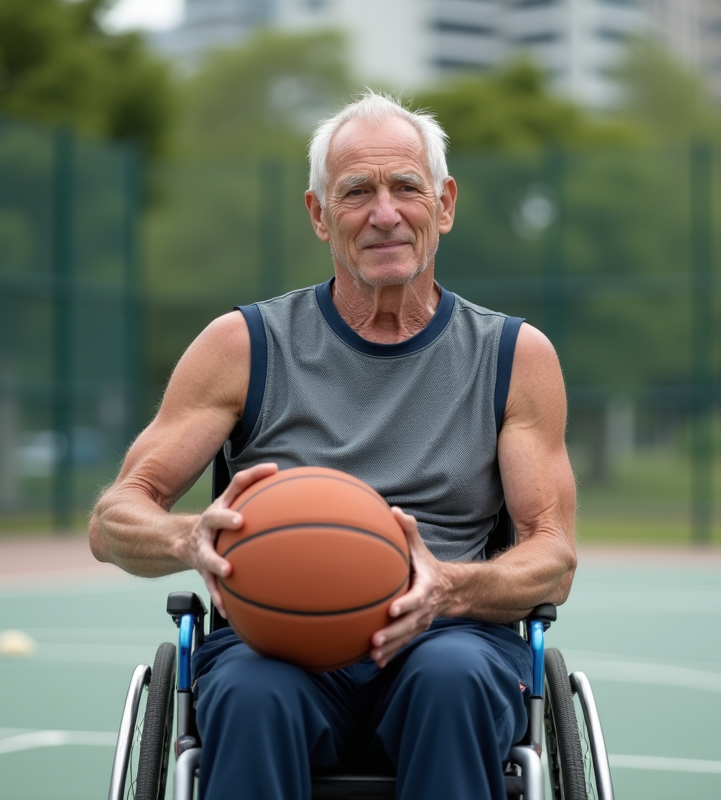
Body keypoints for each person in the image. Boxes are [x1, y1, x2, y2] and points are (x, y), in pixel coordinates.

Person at [89, 91, 577, 799]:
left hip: (447, 636)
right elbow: (111, 521)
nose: (385, 213)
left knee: (453, 680)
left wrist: (449, 588)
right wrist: (188, 537)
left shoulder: (514, 356)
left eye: (405, 187)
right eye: (356, 193)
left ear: (443, 205)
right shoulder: (243, 346)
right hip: (276, 640)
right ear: (319, 215)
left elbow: (552, 557)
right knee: (251, 694)